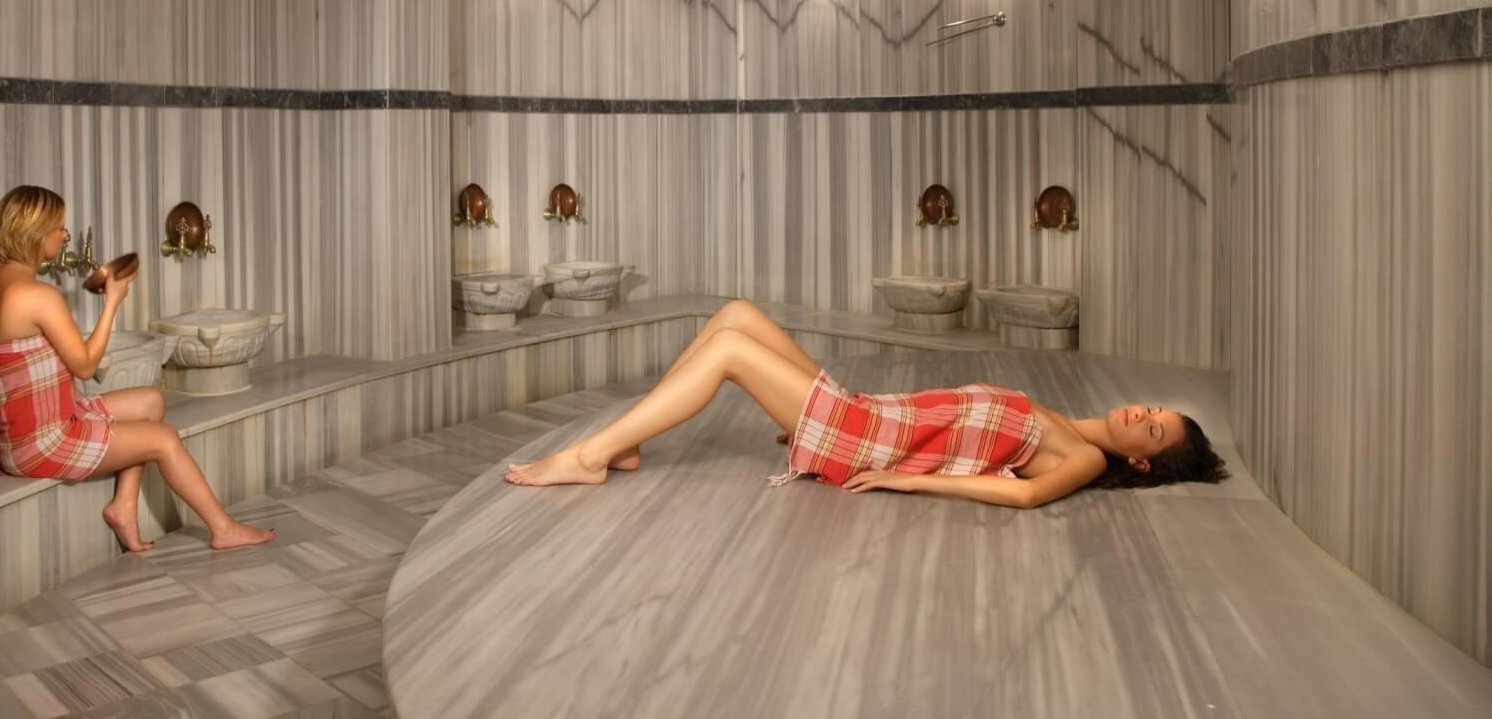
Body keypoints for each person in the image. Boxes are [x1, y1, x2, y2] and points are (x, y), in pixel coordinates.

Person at [505, 299, 1228, 507]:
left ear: (1141, 463)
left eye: (1153, 432)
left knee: (727, 351)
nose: (1141, 415)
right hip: (873, 413)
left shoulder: (1080, 458)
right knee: (736, 314)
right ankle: (631, 441)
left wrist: (903, 481)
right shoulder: (1063, 419)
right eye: (1152, 411)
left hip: (868, 440)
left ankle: (591, 455)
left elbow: (1022, 497)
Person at [0, 185, 274, 551]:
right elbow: (86, 366)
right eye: (59, 227)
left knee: (150, 401)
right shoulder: (37, 296)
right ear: (36, 232)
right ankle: (223, 528)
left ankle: (124, 507)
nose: (64, 235)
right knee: (165, 439)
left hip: (22, 437)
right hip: (42, 443)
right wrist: (112, 303)